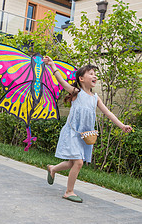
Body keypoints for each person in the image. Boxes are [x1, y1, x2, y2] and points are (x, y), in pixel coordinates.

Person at [43, 56, 133, 203]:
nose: (94, 76)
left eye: (94, 74)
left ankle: (52, 169)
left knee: (72, 163)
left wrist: (122, 125)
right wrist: (52, 65)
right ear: (81, 79)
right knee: (78, 163)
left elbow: (108, 113)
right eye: (90, 73)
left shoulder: (95, 97)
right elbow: (61, 80)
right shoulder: (76, 93)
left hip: (85, 135)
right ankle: (68, 192)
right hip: (73, 132)